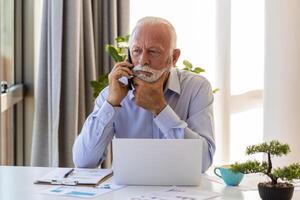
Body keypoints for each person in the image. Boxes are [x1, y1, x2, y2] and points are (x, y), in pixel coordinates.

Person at [73, 16, 215, 172]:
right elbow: (83, 161)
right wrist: (112, 104)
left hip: (180, 190)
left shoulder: (197, 88)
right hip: (128, 191)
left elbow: (202, 162)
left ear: (174, 57)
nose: (143, 60)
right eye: (136, 51)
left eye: (153, 52)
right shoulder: (113, 93)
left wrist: (160, 109)